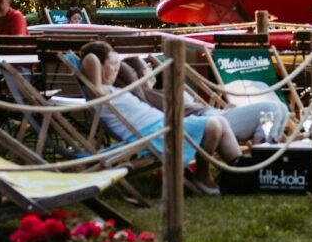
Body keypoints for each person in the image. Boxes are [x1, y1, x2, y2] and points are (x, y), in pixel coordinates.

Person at [73, 39, 235, 192]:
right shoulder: (97, 90)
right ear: (99, 66)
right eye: (113, 64)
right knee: (213, 124)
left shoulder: (111, 89)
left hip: (162, 126)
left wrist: (109, 58)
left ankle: (240, 172)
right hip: (153, 135)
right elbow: (90, 58)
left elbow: (96, 60)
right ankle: (202, 175)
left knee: (219, 121)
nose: (117, 69)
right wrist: (97, 51)